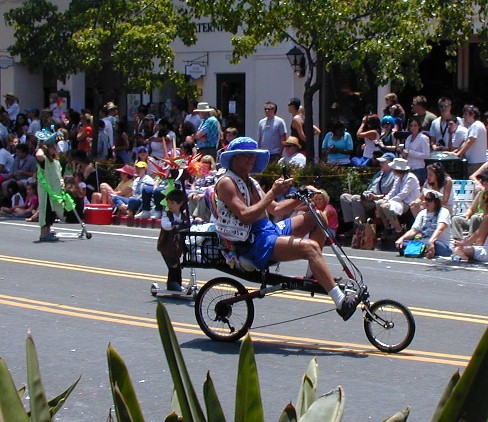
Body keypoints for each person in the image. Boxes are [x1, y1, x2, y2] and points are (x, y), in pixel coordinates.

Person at [214, 137, 363, 321]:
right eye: (246, 155)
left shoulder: (251, 182)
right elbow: (245, 215)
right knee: (310, 248)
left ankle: (313, 273)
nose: (251, 159)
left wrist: (302, 194)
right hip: (252, 242)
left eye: (253, 156)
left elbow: (276, 209)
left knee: (318, 217)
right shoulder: (226, 182)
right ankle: (340, 302)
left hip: (268, 230)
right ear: (234, 157)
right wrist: (273, 192)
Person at [340, 152, 396, 230]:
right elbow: (370, 188)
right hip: (368, 199)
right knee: (345, 197)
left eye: (383, 162)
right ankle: (350, 226)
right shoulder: (378, 174)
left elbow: (393, 193)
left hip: (379, 201)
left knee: (355, 198)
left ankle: (360, 228)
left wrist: (376, 197)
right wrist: (367, 194)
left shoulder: (394, 176)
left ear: (391, 163)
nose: (380, 164)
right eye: (380, 162)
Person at [395, 190, 453, 258]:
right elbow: (414, 230)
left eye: (429, 200)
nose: (426, 202)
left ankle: (419, 250)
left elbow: (440, 229)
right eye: (426, 199)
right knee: (403, 244)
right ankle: (422, 251)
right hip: (424, 242)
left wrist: (431, 241)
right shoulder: (422, 213)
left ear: (436, 201)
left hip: (441, 243)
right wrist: (402, 238)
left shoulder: (444, 212)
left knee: (434, 244)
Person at [376, 158, 421, 236]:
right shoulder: (398, 178)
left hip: (407, 203)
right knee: (379, 203)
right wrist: (386, 199)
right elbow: (393, 191)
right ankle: (387, 228)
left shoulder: (411, 178)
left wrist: (389, 201)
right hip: (398, 201)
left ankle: (398, 230)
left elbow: (403, 194)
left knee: (386, 206)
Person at [156, 189, 190, 291]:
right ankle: (172, 284)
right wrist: (173, 223)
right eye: (168, 202)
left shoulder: (184, 216)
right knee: (173, 265)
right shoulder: (167, 215)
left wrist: (194, 222)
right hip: (166, 246)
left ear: (180, 204)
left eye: (172, 203)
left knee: (177, 266)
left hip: (176, 247)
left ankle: (176, 284)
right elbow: (165, 225)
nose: (169, 205)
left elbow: (188, 225)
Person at [35, 129, 65, 242]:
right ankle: (43, 234)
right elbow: (39, 155)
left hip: (55, 190)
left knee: (52, 212)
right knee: (46, 211)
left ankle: (48, 231)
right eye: (52, 147)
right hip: (46, 191)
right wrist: (42, 145)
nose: (55, 148)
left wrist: (62, 182)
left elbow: (58, 174)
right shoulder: (44, 160)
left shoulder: (55, 161)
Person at [452, 190, 488, 262]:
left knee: (458, 250)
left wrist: (463, 244)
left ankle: (465, 260)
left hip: (486, 252)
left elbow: (479, 237)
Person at [451, 171, 488, 240]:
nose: (485, 183)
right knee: (456, 219)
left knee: (475, 217)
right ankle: (458, 240)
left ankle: (470, 240)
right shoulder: (480, 193)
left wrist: (484, 214)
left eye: (487, 181)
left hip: (484, 221)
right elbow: (471, 209)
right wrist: (467, 214)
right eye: (484, 181)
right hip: (476, 219)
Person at [453, 104, 487, 175]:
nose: (464, 116)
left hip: (476, 163)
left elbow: (470, 141)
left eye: (466, 114)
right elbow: (465, 142)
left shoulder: (476, 125)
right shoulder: (472, 126)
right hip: (474, 162)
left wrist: (458, 154)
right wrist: (455, 152)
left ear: (473, 114)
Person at [401, 116, 430, 186]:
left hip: (418, 169)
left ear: (419, 126)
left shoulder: (423, 138)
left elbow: (426, 155)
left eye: (415, 125)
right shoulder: (408, 138)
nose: (413, 128)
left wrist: (410, 152)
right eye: (411, 126)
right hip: (408, 168)